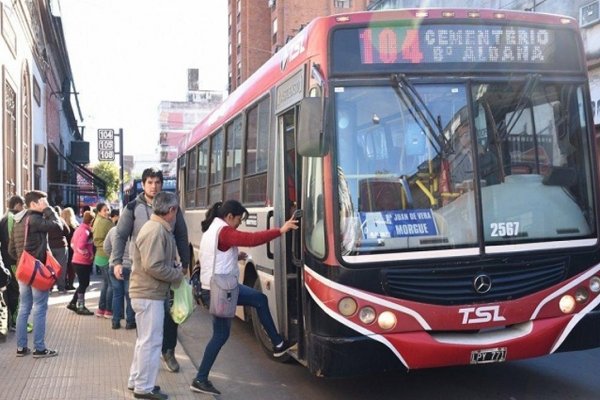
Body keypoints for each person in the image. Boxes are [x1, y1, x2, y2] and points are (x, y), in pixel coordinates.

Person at [190, 200, 298, 395]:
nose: (239, 224)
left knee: (257, 301)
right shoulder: (224, 231)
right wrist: (280, 230)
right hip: (220, 291)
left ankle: (278, 343)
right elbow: (251, 239)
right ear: (229, 216)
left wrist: (234, 256)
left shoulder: (213, 228)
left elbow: (215, 255)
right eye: (238, 220)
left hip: (217, 287)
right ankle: (200, 378)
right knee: (222, 333)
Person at [113, 168, 190, 373]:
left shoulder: (173, 207)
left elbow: (182, 235)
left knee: (171, 314)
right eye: (149, 182)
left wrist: (185, 264)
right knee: (146, 321)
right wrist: (117, 262)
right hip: (140, 270)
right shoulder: (132, 207)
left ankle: (168, 351)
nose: (153, 186)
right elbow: (120, 235)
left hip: (165, 268)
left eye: (157, 182)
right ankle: (146, 363)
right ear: (143, 184)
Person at [128, 191, 183, 400]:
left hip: (145, 292)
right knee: (151, 342)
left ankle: (136, 381)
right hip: (149, 293)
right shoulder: (156, 230)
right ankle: (144, 387)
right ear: (171, 210)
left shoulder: (155, 228)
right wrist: (176, 275)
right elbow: (154, 265)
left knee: (144, 341)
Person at [8, 190, 62, 358]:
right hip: (36, 270)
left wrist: (22, 260)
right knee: (39, 307)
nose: (46, 204)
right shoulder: (36, 219)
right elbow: (58, 227)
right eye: (43, 202)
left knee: (24, 308)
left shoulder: (18, 221)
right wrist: (50, 211)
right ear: (33, 204)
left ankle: (21, 347)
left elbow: (10, 250)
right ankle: (39, 348)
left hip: (23, 270)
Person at [0, 195, 25, 331]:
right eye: (23, 205)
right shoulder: (11, 219)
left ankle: (10, 322)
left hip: (6, 261)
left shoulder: (4, 218)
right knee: (15, 291)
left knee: (9, 292)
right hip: (12, 261)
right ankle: (15, 321)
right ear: (17, 205)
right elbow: (12, 242)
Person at [104, 224, 135, 330]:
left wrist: (113, 257)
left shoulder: (113, 230)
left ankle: (115, 321)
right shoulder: (134, 231)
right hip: (129, 267)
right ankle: (130, 322)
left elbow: (106, 247)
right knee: (129, 295)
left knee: (117, 295)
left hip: (113, 265)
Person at [66, 211, 95, 315]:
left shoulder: (79, 229)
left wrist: (77, 253)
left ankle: (73, 303)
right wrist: (88, 255)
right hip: (83, 262)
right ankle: (81, 306)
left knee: (83, 283)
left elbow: (73, 244)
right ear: (92, 221)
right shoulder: (85, 231)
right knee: (84, 283)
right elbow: (80, 246)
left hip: (76, 260)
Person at [92, 202, 113, 318]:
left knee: (105, 284)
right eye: (105, 210)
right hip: (106, 256)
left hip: (99, 256)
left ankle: (101, 309)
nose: (107, 212)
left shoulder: (96, 221)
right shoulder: (106, 223)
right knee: (111, 285)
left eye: (108, 210)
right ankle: (108, 310)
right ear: (99, 211)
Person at [48, 206, 70, 294]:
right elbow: (67, 231)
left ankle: (49, 287)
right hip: (61, 246)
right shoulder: (60, 220)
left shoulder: (46, 221)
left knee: (49, 267)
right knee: (62, 267)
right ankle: (61, 287)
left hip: (49, 246)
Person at [60, 207, 79, 291]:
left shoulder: (61, 225)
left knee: (64, 266)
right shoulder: (75, 227)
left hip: (63, 247)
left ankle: (63, 283)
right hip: (73, 248)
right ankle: (70, 283)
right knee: (72, 267)